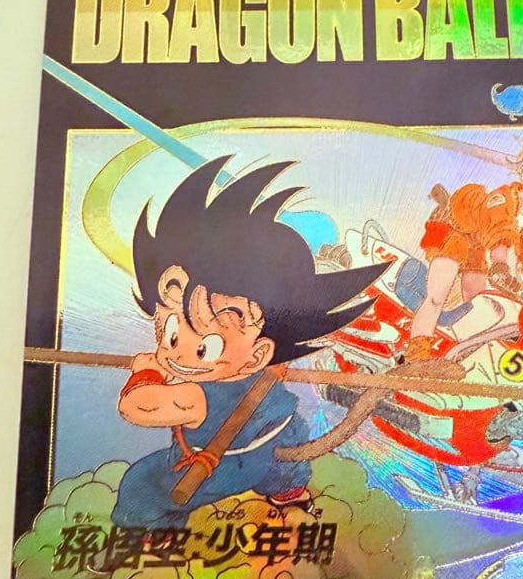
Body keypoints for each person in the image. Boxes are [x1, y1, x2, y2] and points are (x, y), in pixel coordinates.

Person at [111, 156, 389, 529]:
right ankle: (290, 493)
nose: (175, 352)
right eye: (171, 332)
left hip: (226, 465)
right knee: (285, 426)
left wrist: (147, 373)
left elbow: (137, 407)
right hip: (273, 448)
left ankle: (153, 535)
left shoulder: (196, 396)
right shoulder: (262, 365)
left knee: (140, 484)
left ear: (258, 354)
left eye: (203, 348)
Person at [406, 84, 523, 360]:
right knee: (437, 295)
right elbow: (500, 229)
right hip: (452, 234)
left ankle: (463, 354)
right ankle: (417, 352)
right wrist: (499, 265)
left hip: (476, 246)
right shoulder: (505, 197)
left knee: (479, 302)